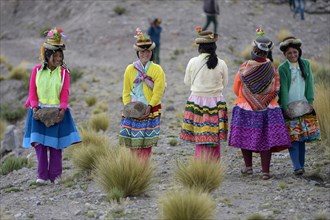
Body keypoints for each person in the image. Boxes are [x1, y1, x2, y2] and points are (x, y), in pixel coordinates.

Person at [228, 28, 291, 180]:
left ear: (254, 50)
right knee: (267, 140)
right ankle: (265, 172)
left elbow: (236, 89)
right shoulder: (273, 69)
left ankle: (248, 168)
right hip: (269, 108)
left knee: (245, 136)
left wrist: (249, 98)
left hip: (245, 106)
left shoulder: (244, 68)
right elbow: (277, 88)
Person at [22, 27, 81, 184]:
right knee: (40, 145)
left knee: (55, 146)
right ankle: (42, 176)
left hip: (57, 111)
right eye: (55, 55)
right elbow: (32, 91)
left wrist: (62, 110)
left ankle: (55, 176)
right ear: (47, 55)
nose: (58, 58)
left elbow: (65, 93)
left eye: (60, 55)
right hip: (38, 110)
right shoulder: (36, 71)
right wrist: (34, 107)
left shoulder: (64, 73)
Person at [180, 27, 228, 161]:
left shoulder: (192, 62)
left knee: (200, 135)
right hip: (216, 102)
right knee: (214, 136)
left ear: (199, 47)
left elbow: (186, 82)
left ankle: (201, 165)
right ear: (214, 47)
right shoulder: (222, 63)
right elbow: (225, 83)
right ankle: (214, 166)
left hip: (196, 102)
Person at [119, 28, 166, 159]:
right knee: (134, 142)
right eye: (142, 51)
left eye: (148, 51)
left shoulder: (157, 70)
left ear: (152, 52)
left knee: (146, 143)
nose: (145, 54)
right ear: (138, 53)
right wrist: (128, 107)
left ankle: (143, 168)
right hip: (133, 109)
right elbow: (126, 90)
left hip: (150, 109)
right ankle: (135, 168)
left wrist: (150, 106)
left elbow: (158, 91)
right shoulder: (130, 69)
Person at [278, 36, 321, 176]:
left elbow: (309, 84)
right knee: (293, 137)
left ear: (299, 52)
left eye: (295, 52)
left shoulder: (306, 64)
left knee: (302, 138)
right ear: (285, 54)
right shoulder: (283, 68)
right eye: (289, 53)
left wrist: (310, 101)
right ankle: (297, 167)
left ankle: (301, 165)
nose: (293, 55)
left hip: (304, 106)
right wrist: (284, 107)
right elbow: (283, 89)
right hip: (290, 107)